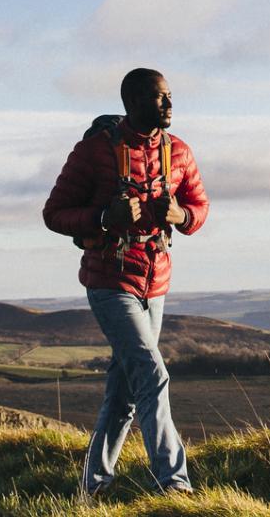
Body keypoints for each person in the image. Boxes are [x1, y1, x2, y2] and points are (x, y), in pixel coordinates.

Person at [42, 67, 210, 497]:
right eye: (160, 98)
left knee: (124, 397)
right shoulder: (92, 152)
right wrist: (102, 218)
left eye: (170, 96)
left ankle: (92, 488)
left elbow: (199, 205)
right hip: (109, 280)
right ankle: (173, 484)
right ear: (132, 102)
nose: (170, 104)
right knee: (152, 375)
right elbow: (55, 213)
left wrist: (183, 217)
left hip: (156, 283)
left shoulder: (180, 153)